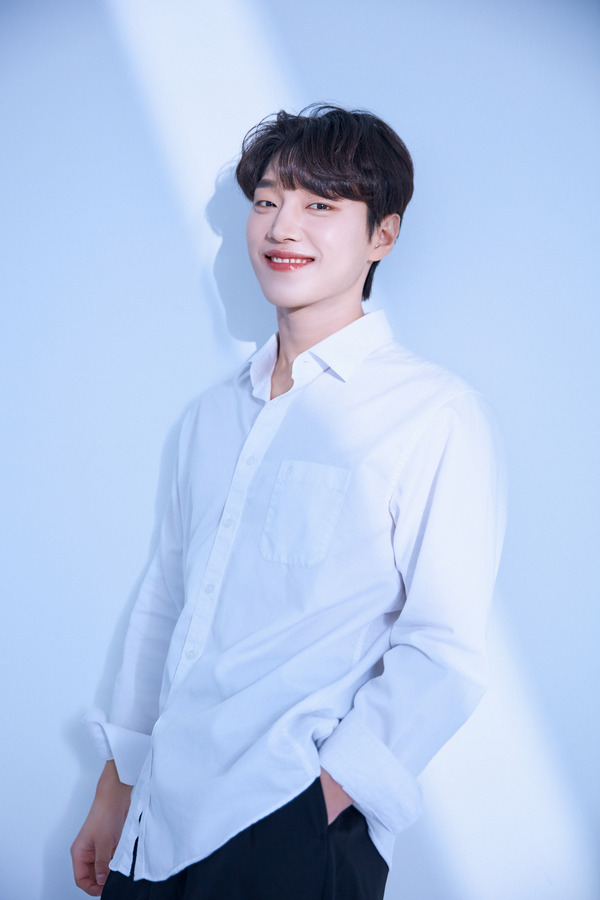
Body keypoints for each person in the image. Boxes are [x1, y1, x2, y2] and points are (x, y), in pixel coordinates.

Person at [71, 104, 506, 900]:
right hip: (154, 830)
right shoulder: (210, 416)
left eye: (319, 203)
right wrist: (117, 784)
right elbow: (167, 604)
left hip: (286, 826)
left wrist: (320, 800)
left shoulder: (431, 414)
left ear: (383, 235)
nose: (282, 226)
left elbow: (441, 647)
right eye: (268, 200)